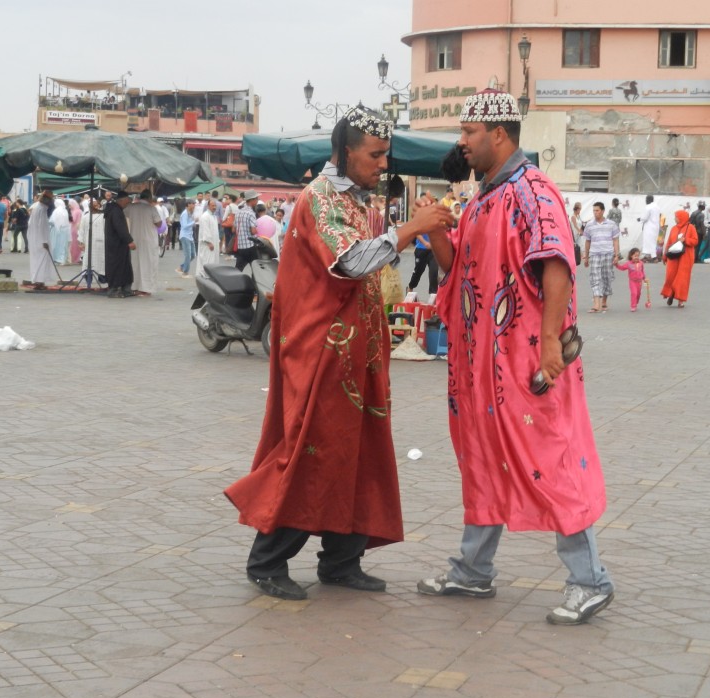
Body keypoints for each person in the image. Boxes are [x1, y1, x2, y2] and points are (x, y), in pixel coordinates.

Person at [225, 105, 454, 601]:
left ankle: (341, 560)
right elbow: (350, 263)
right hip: (321, 351)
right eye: (375, 154)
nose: (382, 163)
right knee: (313, 452)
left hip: (359, 353)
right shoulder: (321, 199)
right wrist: (411, 228)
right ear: (346, 152)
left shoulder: (366, 204)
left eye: (385, 154)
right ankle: (266, 560)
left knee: (360, 452)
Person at [416, 89, 615, 626]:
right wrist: (434, 228)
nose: (461, 142)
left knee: (546, 458)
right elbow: (457, 263)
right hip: (482, 367)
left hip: (525, 362)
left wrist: (550, 342)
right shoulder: (483, 197)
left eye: (468, 132)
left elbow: (556, 262)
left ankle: (590, 580)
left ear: (498, 134)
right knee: (482, 457)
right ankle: (473, 570)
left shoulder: (533, 191)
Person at [581, 201, 620, 313]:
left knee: (607, 278)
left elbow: (616, 240)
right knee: (595, 278)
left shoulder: (611, 224)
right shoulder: (589, 225)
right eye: (594, 210)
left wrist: (616, 255)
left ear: (603, 211)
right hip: (595, 254)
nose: (595, 212)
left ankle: (604, 301)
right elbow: (587, 241)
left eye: (597, 210)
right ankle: (596, 304)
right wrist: (586, 256)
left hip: (608, 254)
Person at [125, 189, 161, 295]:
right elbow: (159, 223)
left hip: (134, 238)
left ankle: (135, 286)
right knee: (148, 264)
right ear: (149, 198)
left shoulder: (131, 207)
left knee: (135, 263)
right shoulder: (152, 209)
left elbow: (123, 212)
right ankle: (146, 288)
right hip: (149, 240)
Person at [660, 209, 699, 308]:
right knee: (670, 276)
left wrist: (685, 240)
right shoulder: (673, 228)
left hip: (686, 256)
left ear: (681, 218)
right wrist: (665, 256)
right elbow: (669, 242)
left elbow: (695, 241)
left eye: (676, 217)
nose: (675, 218)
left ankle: (680, 300)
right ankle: (671, 293)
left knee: (682, 278)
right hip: (673, 256)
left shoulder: (691, 228)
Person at [104, 190, 136, 297]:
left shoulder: (115, 210)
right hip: (116, 245)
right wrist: (129, 241)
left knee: (125, 267)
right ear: (121, 201)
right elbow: (120, 228)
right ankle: (113, 290)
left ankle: (126, 289)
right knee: (116, 267)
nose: (128, 204)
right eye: (127, 201)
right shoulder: (115, 211)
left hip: (119, 244)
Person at [26, 190, 58, 290]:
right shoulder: (42, 209)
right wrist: (44, 241)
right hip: (41, 240)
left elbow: (31, 224)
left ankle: (37, 280)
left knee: (36, 260)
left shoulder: (36, 207)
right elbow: (42, 226)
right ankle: (39, 281)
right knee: (42, 260)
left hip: (34, 239)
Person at [78, 197, 106, 279]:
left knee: (101, 260)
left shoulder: (103, 216)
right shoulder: (85, 217)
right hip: (89, 242)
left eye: (97, 205)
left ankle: (102, 275)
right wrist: (81, 242)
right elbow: (81, 230)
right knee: (88, 259)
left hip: (101, 241)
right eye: (94, 205)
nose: (96, 207)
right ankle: (88, 275)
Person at [233, 191, 260, 273]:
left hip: (240, 246)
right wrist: (257, 230)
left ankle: (234, 283)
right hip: (250, 246)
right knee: (256, 270)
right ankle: (255, 284)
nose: (257, 201)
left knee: (238, 269)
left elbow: (233, 229)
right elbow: (253, 231)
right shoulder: (251, 213)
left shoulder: (238, 212)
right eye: (256, 199)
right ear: (252, 200)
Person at [196, 198, 220, 278]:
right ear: (208, 206)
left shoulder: (214, 216)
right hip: (207, 244)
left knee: (213, 261)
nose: (214, 207)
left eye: (215, 206)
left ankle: (211, 276)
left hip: (214, 242)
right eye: (212, 206)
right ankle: (205, 277)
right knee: (206, 261)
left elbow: (215, 230)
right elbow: (205, 231)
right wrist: (209, 242)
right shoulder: (205, 216)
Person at [176, 199, 198, 278]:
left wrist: (193, 223)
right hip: (185, 236)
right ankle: (185, 272)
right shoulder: (185, 214)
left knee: (193, 255)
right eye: (192, 204)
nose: (194, 205)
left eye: (194, 204)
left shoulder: (190, 213)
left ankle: (181, 267)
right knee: (188, 255)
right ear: (188, 204)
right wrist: (193, 222)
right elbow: (184, 226)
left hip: (190, 236)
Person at [639, 194, 661, 263]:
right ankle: (647, 256)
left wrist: (640, 219)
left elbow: (644, 218)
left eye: (646, 199)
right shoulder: (657, 207)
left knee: (649, 241)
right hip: (656, 227)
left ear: (648, 200)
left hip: (649, 227)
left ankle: (654, 257)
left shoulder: (648, 207)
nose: (645, 201)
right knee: (651, 241)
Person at [49, 199, 71, 265]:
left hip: (56, 231)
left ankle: (57, 258)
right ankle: (63, 259)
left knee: (56, 245)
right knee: (63, 245)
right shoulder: (65, 211)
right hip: (64, 231)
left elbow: (52, 221)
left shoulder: (56, 211)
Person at [68, 198, 83, 264]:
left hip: (74, 229)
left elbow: (73, 220)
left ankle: (74, 258)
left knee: (74, 245)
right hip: (78, 229)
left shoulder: (75, 211)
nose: (69, 207)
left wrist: (68, 218)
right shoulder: (79, 210)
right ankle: (77, 258)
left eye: (70, 205)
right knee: (77, 244)